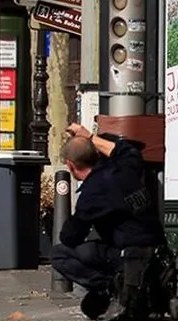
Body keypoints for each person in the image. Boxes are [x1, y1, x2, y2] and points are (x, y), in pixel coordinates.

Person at [51, 123, 167, 321]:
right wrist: (89, 136)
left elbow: (70, 237)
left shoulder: (92, 193)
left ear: (70, 165)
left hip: (129, 255)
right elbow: (126, 150)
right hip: (159, 251)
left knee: (60, 254)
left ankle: (110, 287)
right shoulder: (126, 168)